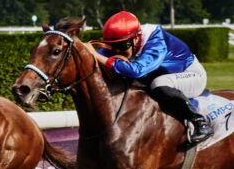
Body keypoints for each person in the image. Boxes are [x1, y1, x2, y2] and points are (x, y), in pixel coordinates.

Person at [87, 10, 212, 145]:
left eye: (121, 46)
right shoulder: (125, 40)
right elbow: (97, 58)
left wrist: (97, 56)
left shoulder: (156, 40)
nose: (116, 51)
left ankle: (199, 122)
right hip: (166, 75)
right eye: (112, 46)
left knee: (158, 84)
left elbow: (136, 71)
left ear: (136, 38)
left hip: (191, 75)